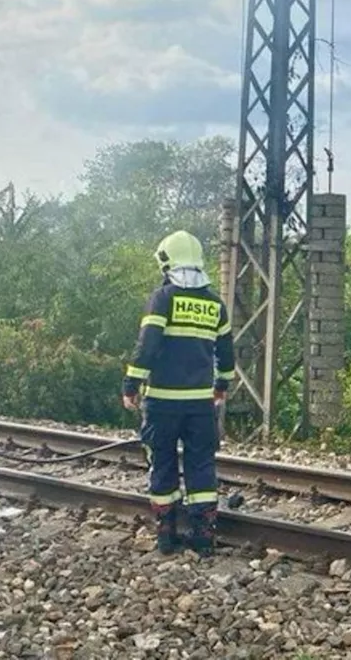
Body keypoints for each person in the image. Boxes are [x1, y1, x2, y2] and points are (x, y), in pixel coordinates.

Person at [122, 230, 234, 556]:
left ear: (166, 262)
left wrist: (131, 384)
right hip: (200, 404)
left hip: (162, 403)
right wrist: (222, 386)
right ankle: (203, 537)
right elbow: (226, 355)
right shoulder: (215, 304)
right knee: (201, 465)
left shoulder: (163, 298)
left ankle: (166, 536)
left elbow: (147, 347)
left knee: (163, 463)